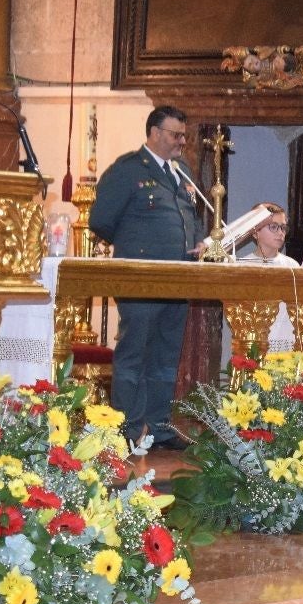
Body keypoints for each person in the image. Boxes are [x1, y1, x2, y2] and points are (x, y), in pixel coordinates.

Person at [89, 105, 201, 449]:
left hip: (177, 278)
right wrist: (138, 246)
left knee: (166, 354)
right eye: (175, 134)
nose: (182, 141)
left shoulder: (182, 172)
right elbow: (101, 220)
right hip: (139, 278)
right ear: (154, 133)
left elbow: (188, 218)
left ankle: (158, 425)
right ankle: (126, 427)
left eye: (184, 134)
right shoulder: (128, 170)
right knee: (134, 352)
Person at [240, 202, 299, 267]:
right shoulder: (242, 266)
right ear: (255, 233)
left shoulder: (292, 266)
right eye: (273, 227)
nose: (280, 232)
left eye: (283, 227)